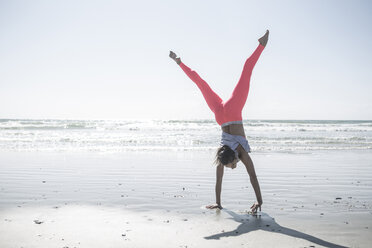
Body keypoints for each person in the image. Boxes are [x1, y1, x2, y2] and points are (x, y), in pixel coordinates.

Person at [169, 30, 269, 213]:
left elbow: (252, 176)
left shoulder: (240, 153)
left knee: (242, 73)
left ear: (232, 158)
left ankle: (262, 45)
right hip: (220, 115)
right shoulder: (222, 152)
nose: (231, 168)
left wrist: (260, 202)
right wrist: (218, 203)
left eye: (230, 165)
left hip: (232, 111)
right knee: (201, 83)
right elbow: (220, 180)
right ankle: (179, 62)